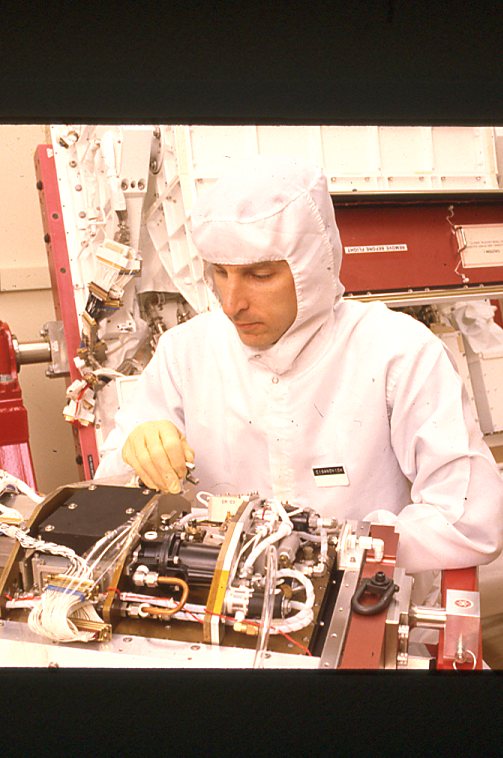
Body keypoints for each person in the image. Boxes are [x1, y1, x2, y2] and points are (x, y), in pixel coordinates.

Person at [95, 158, 503, 583]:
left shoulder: (398, 352)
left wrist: (336, 547)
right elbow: (107, 500)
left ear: (312, 267)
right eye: (220, 273)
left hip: (366, 599)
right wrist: (137, 453)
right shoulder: (185, 352)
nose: (232, 303)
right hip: (221, 605)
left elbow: (470, 521)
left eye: (259, 275)